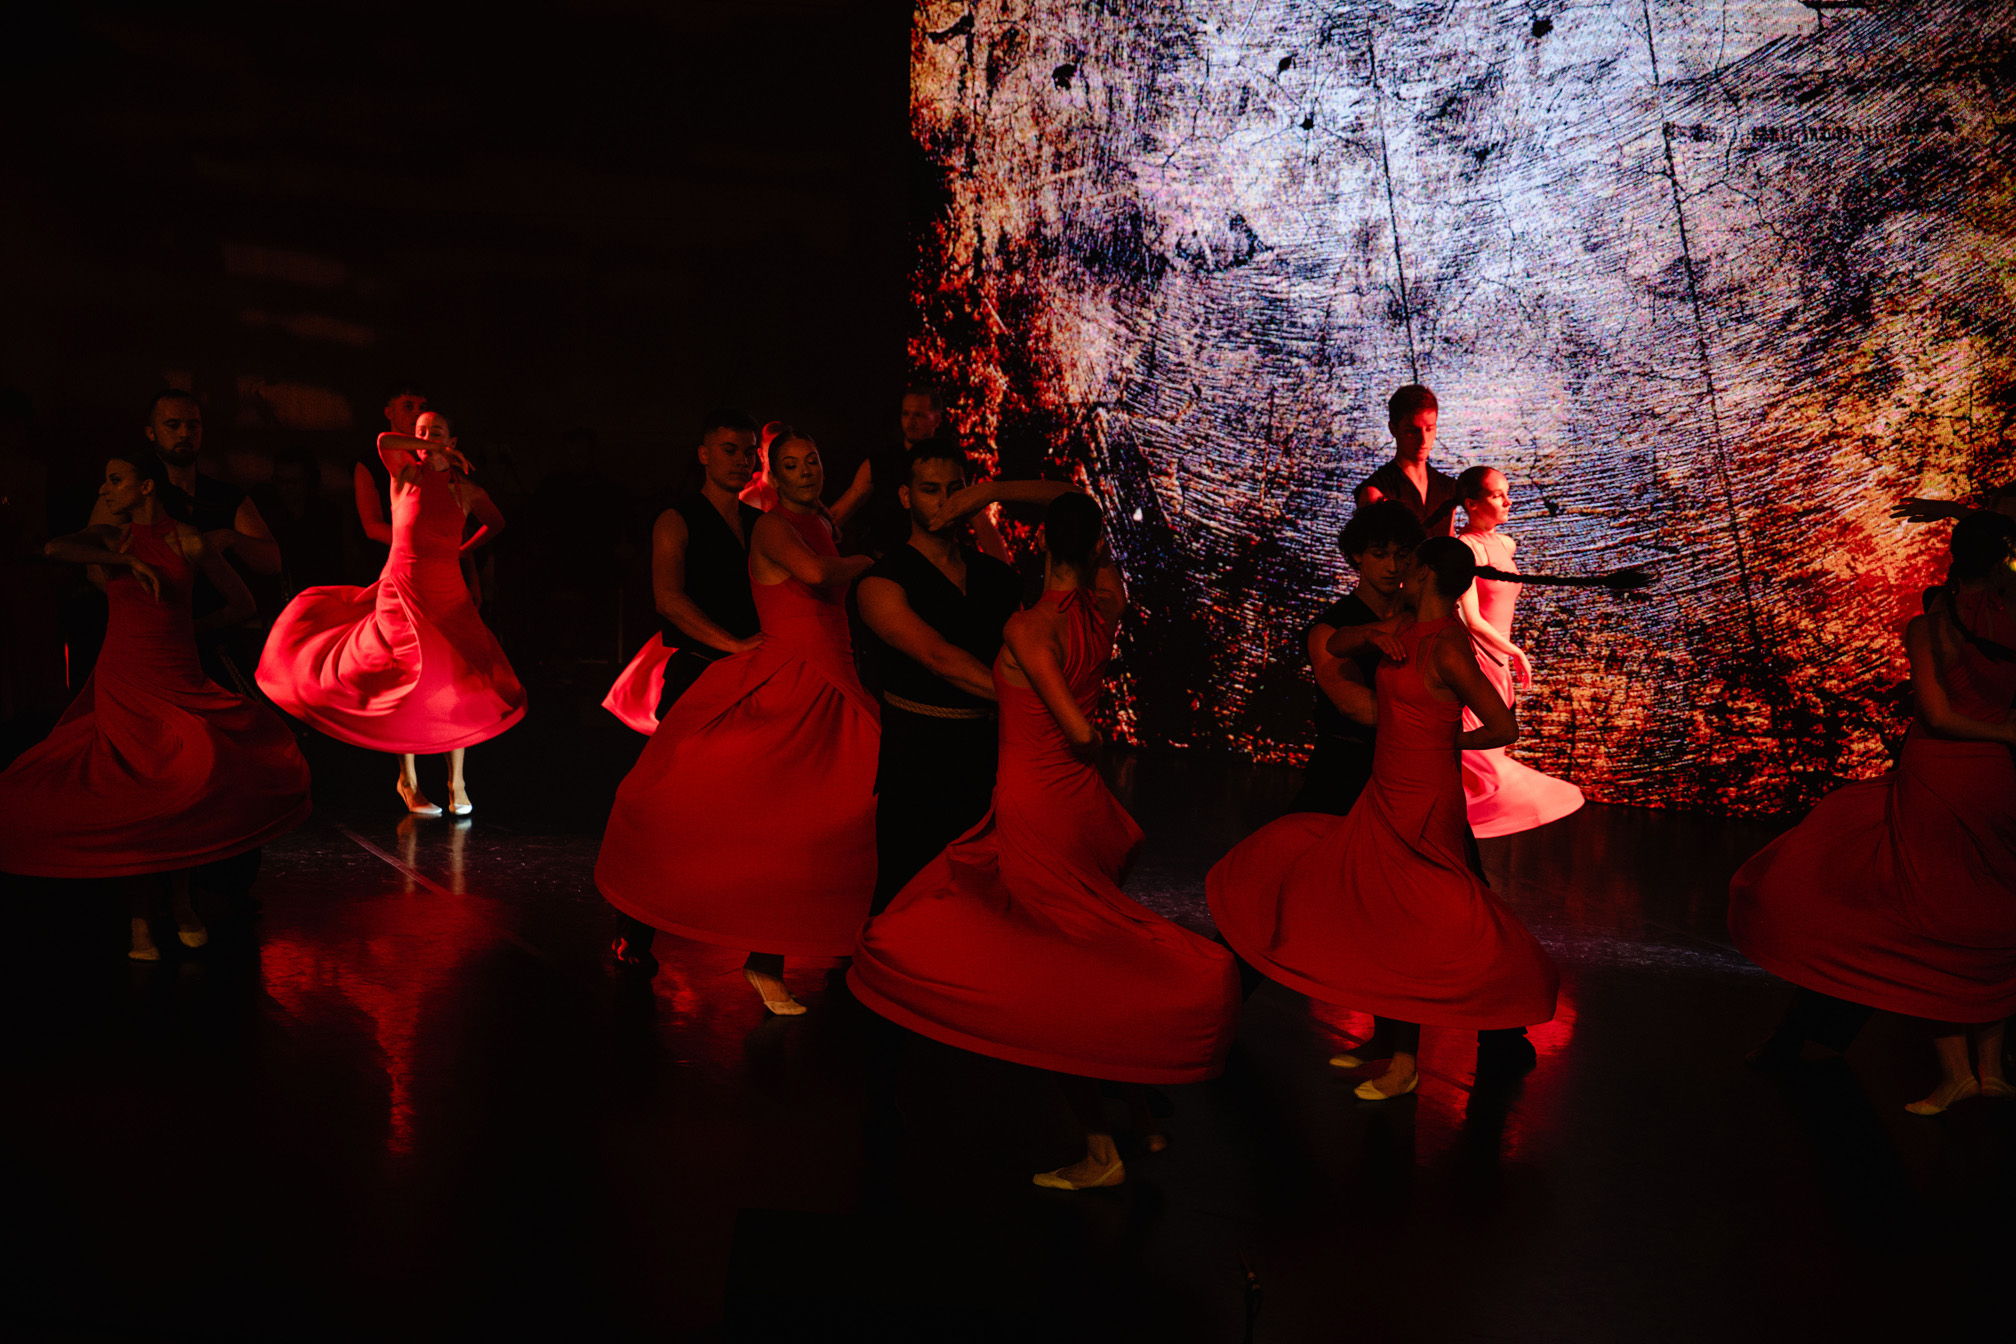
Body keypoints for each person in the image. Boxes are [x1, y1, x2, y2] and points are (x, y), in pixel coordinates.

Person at [852, 494, 1241, 1190]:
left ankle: (1100, 1149)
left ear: (1039, 546)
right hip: (1081, 807)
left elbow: (1081, 733)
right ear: (1095, 550)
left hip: (1040, 809)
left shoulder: (1029, 627)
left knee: (1052, 983)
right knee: (1082, 964)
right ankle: (1141, 1125)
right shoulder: (1104, 609)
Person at [1208, 537, 1558, 1101]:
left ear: (1426, 575)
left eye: (1409, 564)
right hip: (1386, 787)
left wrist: (1444, 741)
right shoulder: (1403, 626)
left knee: (1414, 917)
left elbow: (1504, 726)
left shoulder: (1448, 646)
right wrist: (1372, 635)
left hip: (1424, 795)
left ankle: (1407, 1062)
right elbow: (1336, 642)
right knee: (1373, 902)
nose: (1400, 571)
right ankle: (1388, 1042)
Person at [1730, 511, 2015, 1114]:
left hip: (1941, 777)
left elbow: (1937, 715)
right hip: (1994, 779)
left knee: (1921, 918)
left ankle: (1958, 1073)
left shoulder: (1933, 626)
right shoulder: (2005, 622)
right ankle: (1988, 1071)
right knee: (1986, 914)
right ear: (1999, 563)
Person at [596, 429, 878, 1013]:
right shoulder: (734, 523)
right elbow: (676, 599)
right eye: (789, 464)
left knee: (815, 813)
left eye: (812, 461)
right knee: (693, 799)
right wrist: (736, 647)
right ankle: (640, 921)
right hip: (741, 674)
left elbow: (819, 553)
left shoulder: (799, 520)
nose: (804, 470)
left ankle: (802, 948)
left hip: (806, 676)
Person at [0, 451, 311, 958]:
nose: (104, 490)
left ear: (146, 487)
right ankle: (140, 917)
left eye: (115, 480)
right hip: (123, 677)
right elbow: (54, 548)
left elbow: (243, 603)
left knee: (184, 782)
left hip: (176, 674)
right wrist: (126, 561)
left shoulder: (190, 540)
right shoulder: (111, 538)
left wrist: (187, 628)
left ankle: (182, 900)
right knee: (130, 789)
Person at [258, 411, 522, 816]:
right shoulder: (406, 475)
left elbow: (497, 522)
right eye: (420, 432)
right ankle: (408, 781)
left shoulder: (466, 490)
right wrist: (430, 446)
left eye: (435, 432)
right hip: (402, 589)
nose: (426, 438)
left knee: (457, 681)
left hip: (448, 593)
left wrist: (461, 551)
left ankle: (457, 781)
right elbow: (384, 441)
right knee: (405, 680)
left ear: (454, 440)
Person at [856, 444, 1074, 911]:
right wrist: (1037, 701)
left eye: (954, 490)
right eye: (930, 490)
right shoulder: (883, 580)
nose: (944, 501)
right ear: (906, 496)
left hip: (994, 759)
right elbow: (938, 657)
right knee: (909, 897)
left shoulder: (994, 575)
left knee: (988, 902)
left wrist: (992, 492)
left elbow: (1074, 502)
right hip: (917, 763)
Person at [600, 410, 765, 740]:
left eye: (749, 452)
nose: (742, 461)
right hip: (699, 671)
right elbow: (668, 600)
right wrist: (735, 645)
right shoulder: (676, 520)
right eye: (729, 450)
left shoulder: (760, 522)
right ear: (704, 455)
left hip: (754, 670)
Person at [1453, 466, 1585, 836]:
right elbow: (1471, 619)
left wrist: (1509, 655)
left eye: (1507, 493)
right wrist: (1516, 652)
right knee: (1477, 758)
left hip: (1499, 661)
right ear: (1472, 504)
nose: (1508, 501)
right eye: (1498, 495)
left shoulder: (1506, 544)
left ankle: (1455, 830)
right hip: (1478, 658)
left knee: (1489, 751)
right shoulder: (1466, 549)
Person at [1293, 500, 1424, 815]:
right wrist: (1429, 724)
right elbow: (1351, 704)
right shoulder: (1329, 627)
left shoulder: (1422, 615)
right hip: (1345, 771)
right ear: (1357, 555)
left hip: (1409, 769)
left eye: (1402, 555)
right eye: (1380, 554)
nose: (1392, 567)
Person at [827, 383, 1013, 562]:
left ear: (936, 420)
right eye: (906, 414)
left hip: (933, 564)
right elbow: (841, 510)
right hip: (886, 563)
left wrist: (1005, 573)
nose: (910, 422)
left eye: (919, 415)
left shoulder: (950, 466)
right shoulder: (879, 464)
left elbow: (980, 521)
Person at [1354, 384, 1460, 538]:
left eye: (1429, 429)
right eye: (1412, 431)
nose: (1423, 440)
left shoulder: (1448, 488)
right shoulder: (1376, 492)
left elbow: (1449, 543)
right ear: (1393, 429)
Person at [353, 380, 426, 560]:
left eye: (422, 408)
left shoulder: (434, 458)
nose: (417, 413)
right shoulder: (369, 463)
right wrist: (422, 545)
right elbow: (372, 526)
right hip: (390, 559)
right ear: (389, 413)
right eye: (408, 407)